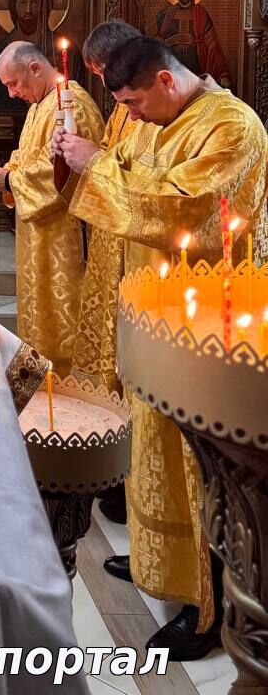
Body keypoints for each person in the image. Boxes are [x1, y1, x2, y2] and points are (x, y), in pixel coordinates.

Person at [55, 36, 268, 661]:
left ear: (166, 81)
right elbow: (121, 176)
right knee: (156, 448)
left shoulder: (232, 127)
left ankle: (211, 606)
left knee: (201, 462)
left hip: (208, 321)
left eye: (133, 102)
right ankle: (166, 562)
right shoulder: (159, 117)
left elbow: (186, 207)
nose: (130, 115)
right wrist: (83, 161)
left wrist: (98, 164)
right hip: (156, 310)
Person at [0, 41, 104, 375]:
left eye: (13, 83)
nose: (12, 93)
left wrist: (8, 180)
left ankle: (69, 390)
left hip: (65, 241)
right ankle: (42, 385)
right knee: (39, 318)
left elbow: (61, 173)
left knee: (64, 321)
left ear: (35, 68)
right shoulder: (38, 106)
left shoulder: (72, 105)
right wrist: (4, 175)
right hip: (38, 239)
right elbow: (26, 158)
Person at [67, 20, 142, 526]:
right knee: (104, 356)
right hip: (108, 246)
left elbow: (140, 180)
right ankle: (111, 472)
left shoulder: (148, 110)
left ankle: (122, 483)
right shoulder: (121, 109)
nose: (101, 82)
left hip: (133, 254)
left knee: (127, 363)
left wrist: (91, 159)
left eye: (102, 71)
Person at [151, 0, 231, 86]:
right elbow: (148, 38)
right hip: (170, 69)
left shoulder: (201, 14)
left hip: (195, 70)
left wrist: (223, 74)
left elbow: (212, 46)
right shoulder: (166, 14)